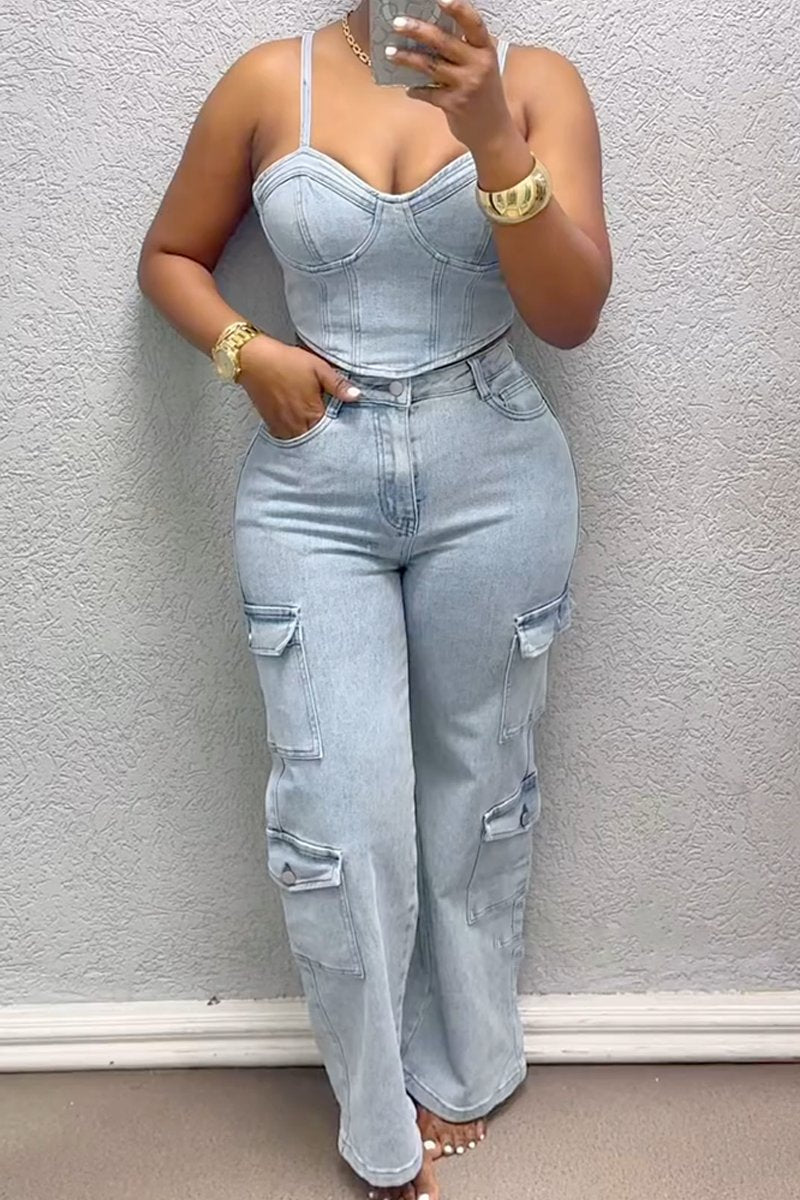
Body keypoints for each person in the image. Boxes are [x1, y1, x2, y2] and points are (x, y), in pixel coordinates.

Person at [137, 2, 612, 1195]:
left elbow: (569, 315)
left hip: (493, 466)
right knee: (340, 811)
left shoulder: (538, 84)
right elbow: (170, 257)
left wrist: (490, 134)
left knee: (476, 787)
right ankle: (374, 1108)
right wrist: (248, 354)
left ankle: (462, 1062)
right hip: (312, 483)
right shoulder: (267, 82)